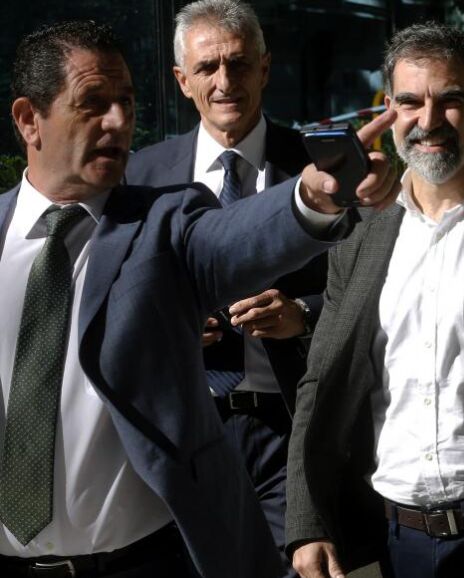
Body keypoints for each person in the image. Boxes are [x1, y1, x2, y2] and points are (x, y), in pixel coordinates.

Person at [0, 20, 396, 578]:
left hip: (139, 563)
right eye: (93, 104)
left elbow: (237, 239)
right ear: (28, 120)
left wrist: (312, 198)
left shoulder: (163, 222)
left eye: (126, 102)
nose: (118, 121)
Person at [286, 22, 464, 578]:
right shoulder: (360, 235)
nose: (429, 120)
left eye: (450, 100)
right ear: (389, 111)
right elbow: (320, 382)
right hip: (389, 542)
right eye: (410, 102)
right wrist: (307, 522)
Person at [125, 2, 322, 573]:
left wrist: (302, 313)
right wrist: (170, 327)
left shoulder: (319, 169)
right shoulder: (141, 178)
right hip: (181, 432)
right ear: (182, 81)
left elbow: (369, 289)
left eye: (238, 64)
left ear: (265, 68)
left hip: (286, 430)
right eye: (207, 68)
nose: (225, 81)